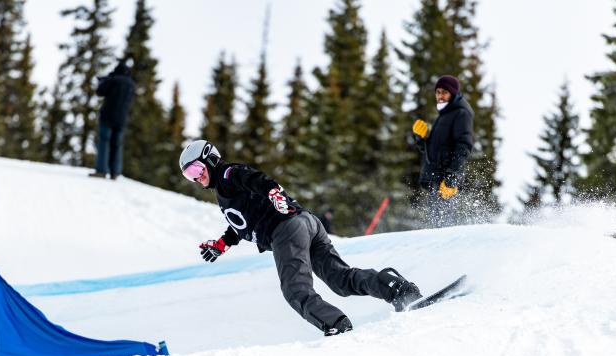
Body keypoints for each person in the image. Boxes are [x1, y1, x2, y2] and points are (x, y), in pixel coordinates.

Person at [178, 140, 423, 336]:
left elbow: (255, 179)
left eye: (197, 169)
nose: (197, 177)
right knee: (340, 279)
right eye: (189, 175)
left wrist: (274, 192)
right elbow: (241, 225)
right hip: (306, 223)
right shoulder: (223, 192)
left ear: (211, 159)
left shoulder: (228, 174)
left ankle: (337, 326)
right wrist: (222, 244)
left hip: (286, 229)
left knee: (296, 291)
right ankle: (397, 288)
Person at [412, 75, 474, 228]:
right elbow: (435, 150)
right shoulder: (444, 115)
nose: (440, 96)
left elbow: (464, 146)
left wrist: (452, 176)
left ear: (453, 93)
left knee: (443, 229)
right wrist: (421, 139)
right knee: (436, 227)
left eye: (444, 92)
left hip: (446, 181)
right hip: (436, 179)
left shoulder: (461, 113)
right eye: (438, 92)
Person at [89, 59, 135, 180]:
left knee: (104, 143)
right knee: (117, 145)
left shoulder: (113, 80)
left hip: (107, 116)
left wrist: (104, 81)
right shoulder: (131, 84)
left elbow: (100, 91)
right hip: (122, 118)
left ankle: (101, 170)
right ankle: (115, 172)